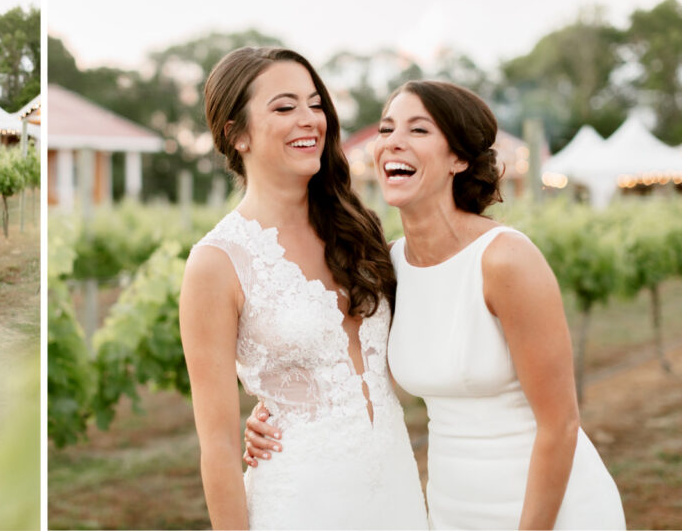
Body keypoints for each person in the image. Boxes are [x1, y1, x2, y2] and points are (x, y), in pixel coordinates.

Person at [245, 80, 626, 529]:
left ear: (459, 159)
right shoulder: (386, 266)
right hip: (452, 509)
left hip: (549, 509)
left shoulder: (505, 260)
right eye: (386, 130)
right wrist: (271, 412)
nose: (392, 144)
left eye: (418, 131)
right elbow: (337, 361)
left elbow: (560, 425)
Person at [179, 47, 428, 530]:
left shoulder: (360, 231)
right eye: (284, 106)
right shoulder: (216, 263)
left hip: (396, 491)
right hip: (301, 504)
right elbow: (218, 447)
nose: (309, 119)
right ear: (237, 134)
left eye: (315, 104)